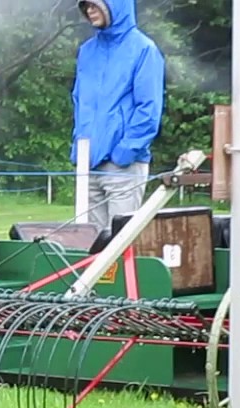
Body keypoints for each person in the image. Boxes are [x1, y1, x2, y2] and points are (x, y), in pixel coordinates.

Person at [69, 0, 165, 235]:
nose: (89, 11)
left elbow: (149, 108)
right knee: (88, 243)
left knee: (120, 243)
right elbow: (79, 101)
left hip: (124, 165)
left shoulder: (144, 49)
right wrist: (79, 146)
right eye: (86, 6)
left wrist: (125, 152)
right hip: (87, 163)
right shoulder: (87, 51)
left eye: (94, 5)